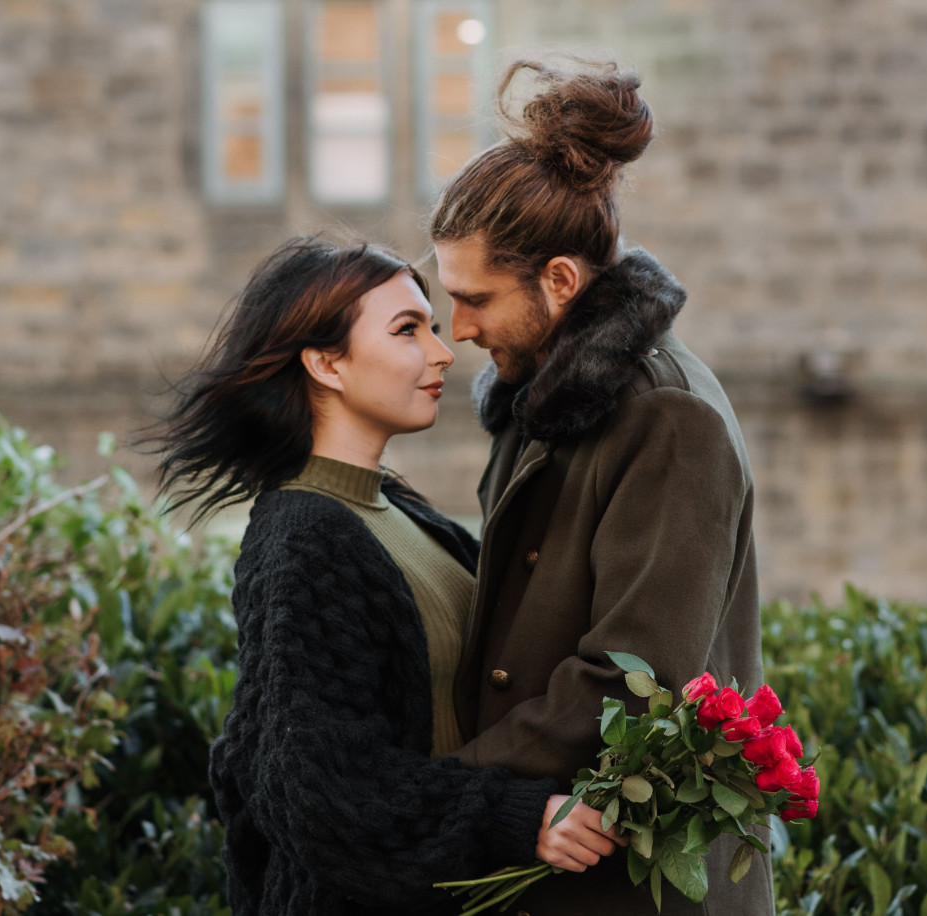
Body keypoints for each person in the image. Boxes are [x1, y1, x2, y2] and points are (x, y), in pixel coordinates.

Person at [148, 236, 625, 916]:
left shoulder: (393, 508)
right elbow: (323, 789)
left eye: (431, 327)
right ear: (327, 364)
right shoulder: (305, 537)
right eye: (408, 330)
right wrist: (516, 817)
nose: (442, 351)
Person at [429, 58, 777, 915]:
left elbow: (633, 678)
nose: (457, 328)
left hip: (641, 887)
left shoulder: (668, 418)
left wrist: (448, 786)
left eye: (475, 299)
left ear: (559, 281)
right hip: (560, 857)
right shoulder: (537, 400)